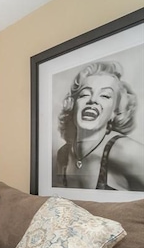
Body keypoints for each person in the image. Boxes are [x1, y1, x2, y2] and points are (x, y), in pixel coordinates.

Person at [55, 61, 144, 191]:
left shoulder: (129, 152)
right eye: (85, 94)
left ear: (115, 112)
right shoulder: (63, 154)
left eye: (105, 96)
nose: (93, 100)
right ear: (73, 105)